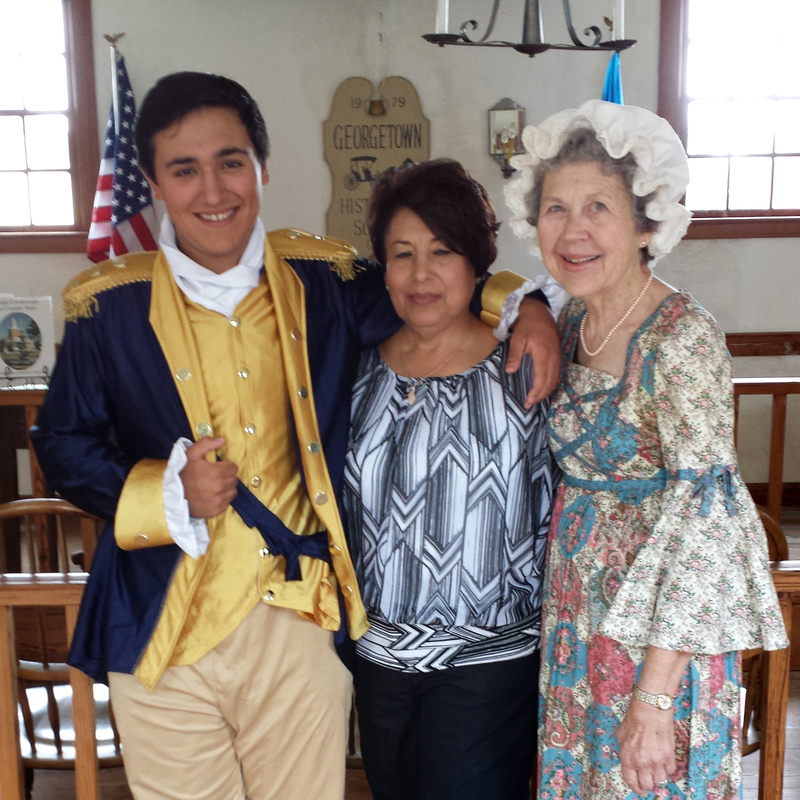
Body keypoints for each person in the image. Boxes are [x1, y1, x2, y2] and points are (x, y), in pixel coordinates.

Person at [30, 72, 560, 800]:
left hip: (300, 616)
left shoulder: (326, 281)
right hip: (158, 620)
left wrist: (527, 305)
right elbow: (62, 443)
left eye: (231, 162)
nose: (212, 191)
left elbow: (434, 284)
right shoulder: (107, 308)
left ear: (262, 167)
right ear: (152, 182)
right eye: (184, 170)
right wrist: (164, 491)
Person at [504, 99, 789, 799]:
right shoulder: (572, 316)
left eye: (598, 208)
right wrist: (534, 306)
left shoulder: (682, 337)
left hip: (658, 640)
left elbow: (707, 528)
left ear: (646, 224)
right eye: (555, 209)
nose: (573, 230)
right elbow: (507, 294)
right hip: (577, 616)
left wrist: (656, 698)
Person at [342, 159, 559, 800]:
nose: (421, 274)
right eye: (402, 254)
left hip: (489, 662)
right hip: (379, 660)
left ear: (476, 262)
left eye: (442, 251)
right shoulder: (354, 372)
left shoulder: (527, 363)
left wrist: (534, 305)